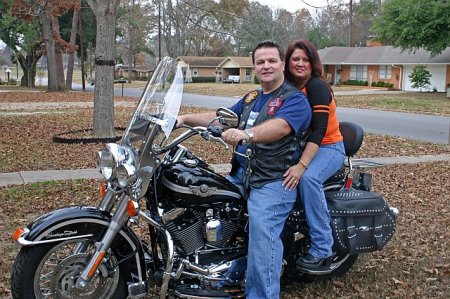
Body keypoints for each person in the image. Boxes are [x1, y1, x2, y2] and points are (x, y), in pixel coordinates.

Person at [177, 40, 311, 299]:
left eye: (272, 60)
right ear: (254, 66)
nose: (266, 66)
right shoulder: (252, 98)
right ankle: (217, 269)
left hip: (273, 181)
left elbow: (281, 127)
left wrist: (246, 134)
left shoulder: (294, 100)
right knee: (205, 202)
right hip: (243, 175)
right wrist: (183, 119)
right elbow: (222, 117)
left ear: (282, 64)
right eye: (260, 62)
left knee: (263, 239)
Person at [283, 39, 346, 270]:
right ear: (287, 62)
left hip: (329, 147)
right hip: (305, 145)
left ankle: (322, 248)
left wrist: (301, 166)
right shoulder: (289, 86)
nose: (300, 64)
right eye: (295, 59)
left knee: (308, 179)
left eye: (305, 59)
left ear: (313, 63)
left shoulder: (317, 86)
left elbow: (319, 130)